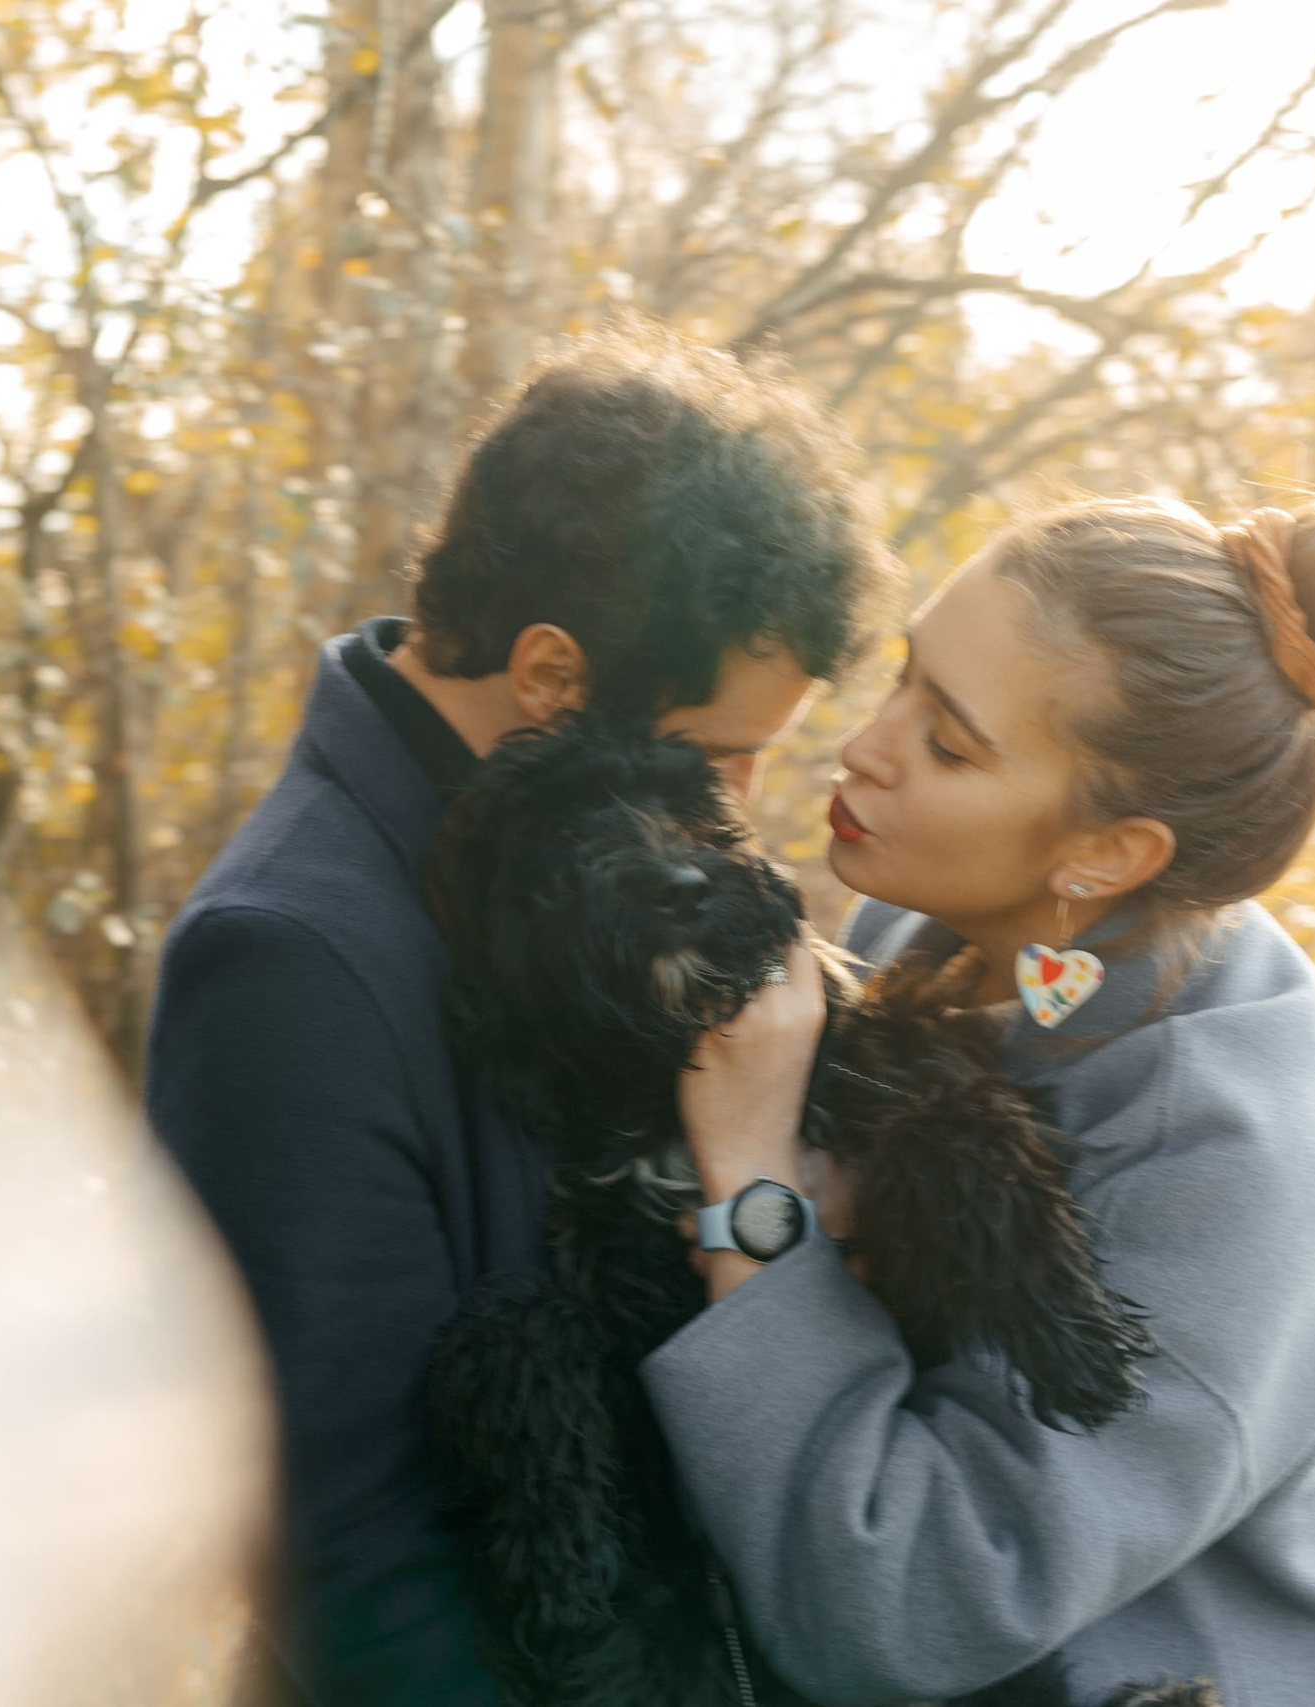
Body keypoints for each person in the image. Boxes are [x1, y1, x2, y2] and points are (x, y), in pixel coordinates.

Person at [144, 323, 899, 1706]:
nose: (735, 801)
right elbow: (351, 1559)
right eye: (715, 750)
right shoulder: (289, 958)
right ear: (550, 676)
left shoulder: (598, 873)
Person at [656, 496, 1315, 1704]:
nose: (867, 746)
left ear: (1109, 857)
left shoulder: (1235, 1162)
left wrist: (751, 1183)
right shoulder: (924, 930)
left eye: (950, 745)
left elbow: (903, 1607)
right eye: (907, 676)